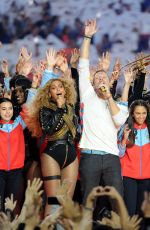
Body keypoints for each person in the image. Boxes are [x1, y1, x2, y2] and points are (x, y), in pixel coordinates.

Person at [78, 19, 128, 208]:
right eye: (97, 77)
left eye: (103, 77)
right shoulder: (87, 93)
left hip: (111, 158)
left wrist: (108, 97)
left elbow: (118, 121)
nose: (100, 78)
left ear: (108, 82)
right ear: (92, 82)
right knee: (87, 203)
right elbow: (83, 65)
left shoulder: (118, 105)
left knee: (117, 202)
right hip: (90, 156)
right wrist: (87, 37)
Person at [25, 76, 79, 217]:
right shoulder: (45, 110)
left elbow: (75, 132)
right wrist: (60, 108)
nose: (58, 90)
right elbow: (49, 129)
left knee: (66, 201)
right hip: (52, 154)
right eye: (53, 88)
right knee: (54, 200)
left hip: (71, 154)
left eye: (60, 87)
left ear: (65, 90)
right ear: (49, 93)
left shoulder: (72, 108)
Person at [118, 99, 150, 216]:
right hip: (129, 177)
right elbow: (119, 154)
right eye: (138, 113)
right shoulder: (125, 129)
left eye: (144, 113)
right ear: (132, 114)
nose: (141, 116)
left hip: (147, 178)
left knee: (142, 214)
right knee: (129, 212)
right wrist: (124, 140)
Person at [0, 97, 26, 214]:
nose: (7, 112)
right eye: (3, 109)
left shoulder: (19, 124)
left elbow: (30, 105)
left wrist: (34, 87)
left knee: (10, 209)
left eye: (10, 108)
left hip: (16, 173)